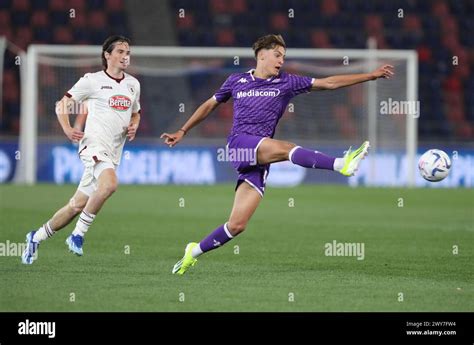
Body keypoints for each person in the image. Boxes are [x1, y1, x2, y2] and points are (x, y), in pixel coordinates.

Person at [161, 34, 394, 275]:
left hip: (259, 158)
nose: (281, 61)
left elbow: (329, 83)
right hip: (240, 145)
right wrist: (183, 130)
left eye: (283, 56)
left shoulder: (287, 82)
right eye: (277, 55)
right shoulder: (236, 81)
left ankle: (193, 252)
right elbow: (209, 104)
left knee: (237, 225)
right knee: (285, 148)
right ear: (261, 54)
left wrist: (371, 75)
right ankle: (341, 164)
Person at [21, 35, 141, 264]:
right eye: (121, 52)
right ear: (107, 55)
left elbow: (136, 111)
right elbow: (62, 104)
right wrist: (67, 128)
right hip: (93, 145)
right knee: (110, 184)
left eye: (128, 53)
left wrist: (134, 125)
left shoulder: (133, 84)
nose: (126, 57)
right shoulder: (91, 80)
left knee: (76, 205)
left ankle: (35, 237)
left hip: (113, 151)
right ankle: (77, 235)